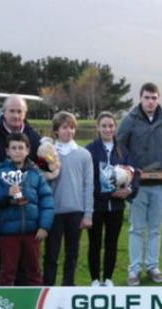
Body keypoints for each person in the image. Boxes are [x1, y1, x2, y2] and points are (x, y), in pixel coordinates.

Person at [117, 82, 162, 286]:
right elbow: (120, 147)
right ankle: (134, 270)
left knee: (155, 229)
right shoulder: (130, 120)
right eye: (147, 97)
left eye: (154, 98)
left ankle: (153, 266)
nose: (150, 101)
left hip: (160, 185)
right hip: (137, 186)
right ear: (140, 98)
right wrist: (131, 170)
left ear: (158, 99)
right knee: (136, 228)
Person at [0, 95, 41, 286]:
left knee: (24, 261)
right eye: (12, 110)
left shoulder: (34, 136)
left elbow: (41, 169)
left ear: (25, 113)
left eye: (20, 111)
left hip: (25, 212)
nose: (16, 115)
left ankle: (21, 304)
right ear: (3, 112)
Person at [0, 133, 54, 286]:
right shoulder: (0, 172)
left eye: (21, 148)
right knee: (7, 271)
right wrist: (7, 193)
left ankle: (36, 305)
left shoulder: (36, 173)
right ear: (7, 151)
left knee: (34, 270)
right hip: (9, 232)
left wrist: (44, 226)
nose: (17, 151)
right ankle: (5, 304)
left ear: (28, 150)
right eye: (13, 148)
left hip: (33, 232)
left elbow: (47, 201)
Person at [87, 112, 139, 287]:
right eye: (104, 126)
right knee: (94, 243)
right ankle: (95, 279)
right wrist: (107, 193)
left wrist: (129, 190)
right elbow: (89, 179)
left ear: (115, 128)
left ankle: (108, 278)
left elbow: (134, 172)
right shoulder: (91, 150)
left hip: (116, 207)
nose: (108, 129)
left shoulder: (123, 150)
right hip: (97, 206)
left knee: (112, 243)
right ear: (98, 128)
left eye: (111, 126)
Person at [43, 112, 93, 286]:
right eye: (64, 127)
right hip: (53, 211)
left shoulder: (84, 155)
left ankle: (68, 286)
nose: (68, 131)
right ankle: (48, 287)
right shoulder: (48, 154)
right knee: (51, 254)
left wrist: (88, 214)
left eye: (72, 127)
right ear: (56, 130)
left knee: (72, 253)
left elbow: (88, 186)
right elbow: (42, 181)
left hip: (76, 211)